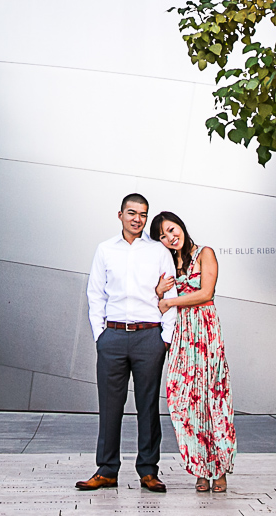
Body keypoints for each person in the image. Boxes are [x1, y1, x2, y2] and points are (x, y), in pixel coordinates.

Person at [77, 192, 176, 493]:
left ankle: (148, 470)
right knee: (110, 406)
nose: (137, 219)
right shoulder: (105, 250)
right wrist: (100, 335)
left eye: (143, 214)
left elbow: (170, 297)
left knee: (148, 406)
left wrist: (165, 338)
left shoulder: (159, 251)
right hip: (114, 337)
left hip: (149, 336)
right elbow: (96, 294)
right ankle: (106, 470)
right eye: (131, 213)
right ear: (119, 214)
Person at [151, 211, 236, 493]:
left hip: (206, 331)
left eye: (171, 230)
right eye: (162, 235)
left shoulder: (205, 253)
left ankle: (219, 469)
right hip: (182, 335)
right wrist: (159, 291)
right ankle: (200, 467)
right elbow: (156, 296)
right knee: (184, 400)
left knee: (212, 400)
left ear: (181, 227)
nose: (169, 237)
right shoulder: (167, 262)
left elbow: (206, 293)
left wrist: (170, 300)